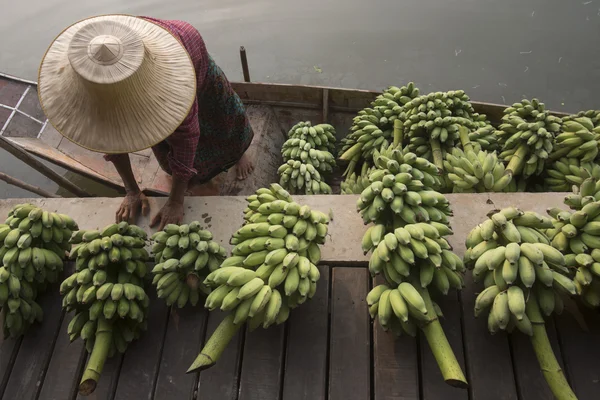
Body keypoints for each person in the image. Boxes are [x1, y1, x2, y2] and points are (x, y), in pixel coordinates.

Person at [38, 15, 254, 230]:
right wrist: (131, 190)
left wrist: (176, 201)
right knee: (160, 138)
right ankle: (189, 178)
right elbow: (110, 142)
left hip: (186, 55)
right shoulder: (91, 86)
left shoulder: (172, 87)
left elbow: (187, 138)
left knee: (221, 115)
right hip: (125, 79)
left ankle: (238, 152)